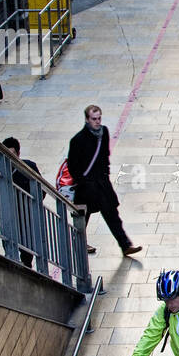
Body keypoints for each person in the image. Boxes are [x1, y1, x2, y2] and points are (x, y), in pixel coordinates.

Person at [66, 104, 142, 257]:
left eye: (99, 118)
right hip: (86, 186)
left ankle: (125, 245)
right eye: (94, 119)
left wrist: (105, 174)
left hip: (101, 184)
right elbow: (72, 165)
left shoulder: (104, 132)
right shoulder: (78, 140)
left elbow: (104, 155)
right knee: (83, 218)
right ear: (87, 119)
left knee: (112, 215)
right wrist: (83, 181)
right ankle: (77, 242)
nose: (97, 122)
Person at [1, 136, 42, 268]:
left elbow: (42, 189)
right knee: (8, 245)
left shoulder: (29, 167)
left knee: (27, 246)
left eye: (12, 154)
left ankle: (27, 266)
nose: (9, 158)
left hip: (25, 215)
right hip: (6, 215)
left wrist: (33, 205)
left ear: (18, 154)